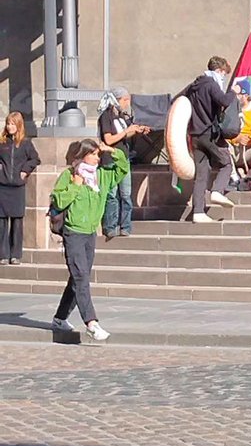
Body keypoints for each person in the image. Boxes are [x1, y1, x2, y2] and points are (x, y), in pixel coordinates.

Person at [51, 139, 130, 341]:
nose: (97, 158)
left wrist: (111, 150)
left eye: (98, 154)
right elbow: (59, 200)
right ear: (82, 155)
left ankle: (60, 318)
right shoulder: (69, 175)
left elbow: (123, 168)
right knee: (81, 277)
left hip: (90, 233)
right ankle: (91, 323)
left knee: (78, 277)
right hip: (73, 232)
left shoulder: (101, 176)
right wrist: (76, 186)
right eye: (93, 154)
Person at [182, 55, 241, 223]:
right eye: (224, 74)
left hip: (194, 135)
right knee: (226, 163)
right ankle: (217, 191)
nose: (224, 77)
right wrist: (233, 92)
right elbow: (224, 100)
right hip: (208, 133)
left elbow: (178, 100)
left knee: (201, 174)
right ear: (219, 71)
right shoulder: (210, 84)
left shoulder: (194, 86)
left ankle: (198, 212)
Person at [97, 88, 150, 241]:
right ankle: (110, 226)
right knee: (112, 194)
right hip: (110, 160)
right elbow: (109, 140)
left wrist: (137, 130)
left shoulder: (120, 117)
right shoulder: (106, 116)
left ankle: (125, 226)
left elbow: (124, 135)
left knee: (126, 194)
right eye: (125, 100)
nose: (127, 103)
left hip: (123, 160)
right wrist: (127, 130)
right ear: (116, 100)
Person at [0, 112, 40, 265]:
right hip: (3, 186)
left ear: (19, 125)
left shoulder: (25, 143)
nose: (10, 127)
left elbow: (35, 159)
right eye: (8, 123)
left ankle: (15, 254)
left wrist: (25, 170)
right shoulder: (2, 142)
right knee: (2, 221)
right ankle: (3, 254)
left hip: (17, 187)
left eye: (12, 124)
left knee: (17, 221)